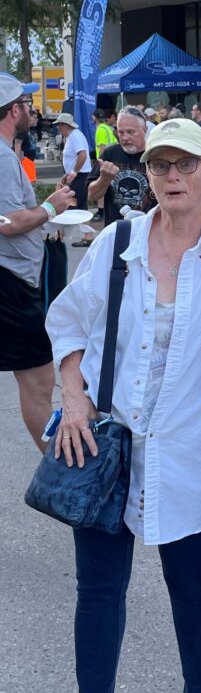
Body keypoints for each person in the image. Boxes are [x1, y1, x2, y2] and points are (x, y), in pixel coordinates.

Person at [28, 118, 201, 693]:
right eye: (161, 164)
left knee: (193, 587)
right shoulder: (118, 242)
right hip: (107, 448)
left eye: (186, 164)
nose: (173, 176)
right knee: (98, 589)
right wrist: (73, 398)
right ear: (148, 172)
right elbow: (68, 322)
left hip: (192, 454)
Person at [0, 72, 75, 450]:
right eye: (27, 103)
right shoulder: (1, 156)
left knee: (37, 379)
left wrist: (46, 206)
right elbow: (7, 222)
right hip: (12, 280)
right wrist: (51, 207)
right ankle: (56, 465)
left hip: (15, 278)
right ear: (13, 110)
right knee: (37, 381)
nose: (32, 110)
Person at [87, 107, 155, 226]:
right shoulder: (109, 155)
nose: (124, 138)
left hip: (149, 231)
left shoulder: (156, 155)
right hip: (116, 231)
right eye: (121, 132)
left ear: (145, 130)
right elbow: (92, 195)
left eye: (130, 132)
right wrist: (104, 179)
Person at [56, 112, 92, 214]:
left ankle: (76, 224)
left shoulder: (74, 136)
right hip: (78, 175)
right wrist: (68, 173)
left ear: (66, 125)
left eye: (60, 125)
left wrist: (73, 173)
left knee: (74, 207)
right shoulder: (74, 135)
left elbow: (82, 155)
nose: (58, 128)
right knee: (80, 207)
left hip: (79, 177)